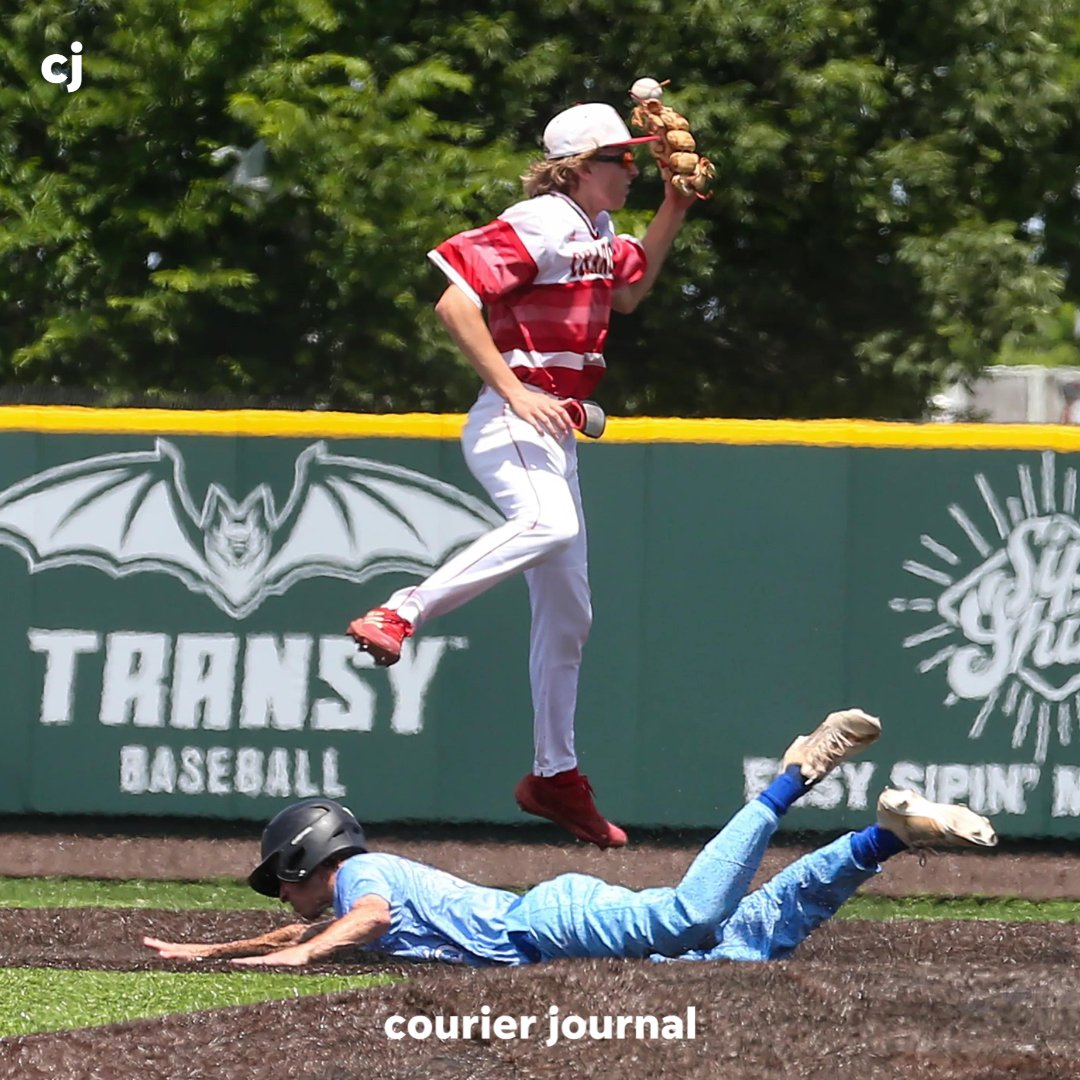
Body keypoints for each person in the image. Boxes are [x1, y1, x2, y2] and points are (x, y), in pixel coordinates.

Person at [345, 101, 698, 850]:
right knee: (549, 525)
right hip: (514, 419)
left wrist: (674, 207)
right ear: (578, 167)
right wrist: (511, 387)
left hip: (554, 433)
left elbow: (629, 292)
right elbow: (453, 301)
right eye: (621, 159)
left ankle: (554, 775)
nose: (632, 168)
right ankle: (401, 612)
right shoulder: (541, 218)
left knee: (571, 615)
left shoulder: (597, 231)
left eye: (635, 159)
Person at [142, 708, 998, 969]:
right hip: (553, 943)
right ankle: (883, 837)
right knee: (746, 942)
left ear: (309, 861)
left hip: (547, 922)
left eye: (283, 881)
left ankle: (791, 777)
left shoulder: (367, 875)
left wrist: (290, 961)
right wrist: (213, 953)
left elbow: (353, 922)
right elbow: (309, 928)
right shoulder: (337, 901)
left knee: (692, 918)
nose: (284, 898)